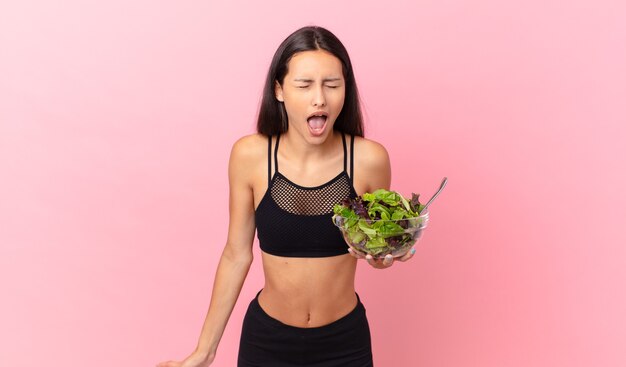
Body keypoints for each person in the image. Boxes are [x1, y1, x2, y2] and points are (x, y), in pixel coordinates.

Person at [156, 25, 417, 367]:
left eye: (332, 85)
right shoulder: (250, 156)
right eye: (304, 85)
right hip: (267, 343)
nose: (319, 98)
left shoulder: (369, 160)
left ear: (345, 90)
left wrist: (386, 253)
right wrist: (204, 351)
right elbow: (236, 255)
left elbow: (374, 248)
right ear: (279, 90)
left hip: (345, 344)